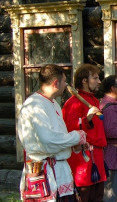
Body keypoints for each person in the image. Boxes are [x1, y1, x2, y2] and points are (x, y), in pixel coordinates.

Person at [17, 64, 87, 201]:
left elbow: (57, 137)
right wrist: (76, 136)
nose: (66, 84)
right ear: (56, 83)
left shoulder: (53, 103)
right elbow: (48, 140)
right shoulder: (34, 105)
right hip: (43, 173)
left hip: (61, 173)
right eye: (64, 81)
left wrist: (73, 146)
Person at [62, 64, 107, 201]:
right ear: (84, 81)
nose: (99, 81)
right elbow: (68, 131)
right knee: (83, 197)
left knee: (98, 197)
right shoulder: (72, 103)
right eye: (95, 78)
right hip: (83, 159)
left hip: (97, 158)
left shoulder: (94, 100)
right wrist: (87, 118)